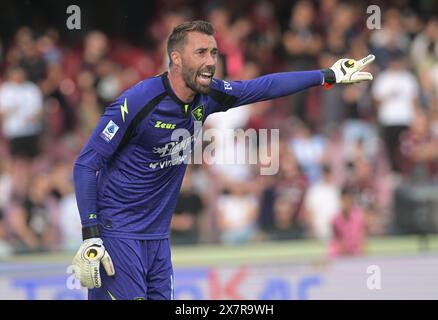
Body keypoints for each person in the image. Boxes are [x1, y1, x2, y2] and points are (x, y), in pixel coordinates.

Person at [71, 20, 375, 300]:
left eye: (214, 53)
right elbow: (86, 164)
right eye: (201, 52)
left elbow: (263, 87)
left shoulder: (209, 96)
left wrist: (327, 75)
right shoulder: (137, 101)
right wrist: (91, 234)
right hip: (117, 235)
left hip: (157, 239)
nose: (211, 62)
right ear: (176, 58)